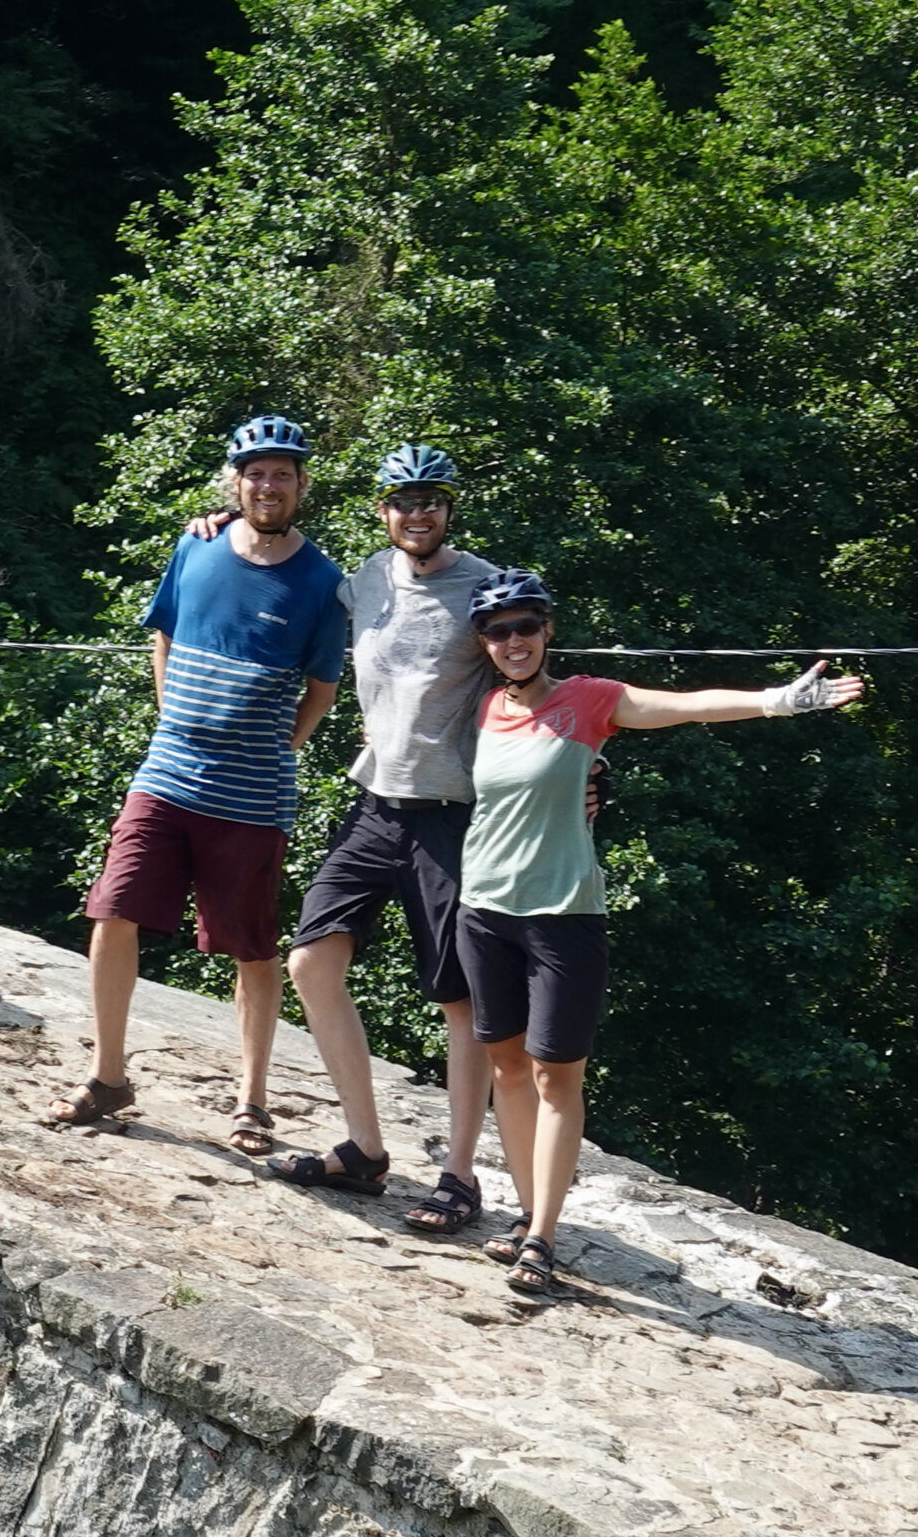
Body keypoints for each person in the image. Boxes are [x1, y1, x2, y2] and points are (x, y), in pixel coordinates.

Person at [452, 569, 863, 1297]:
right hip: (484, 910)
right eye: (497, 630)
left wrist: (778, 700)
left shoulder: (588, 699)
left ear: (547, 631)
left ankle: (543, 1236)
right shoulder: (484, 708)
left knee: (557, 1075)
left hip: (563, 915)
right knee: (507, 1067)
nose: (513, 640)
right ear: (484, 643)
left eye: (525, 626)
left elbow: (685, 706)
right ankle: (523, 1214)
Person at [48, 415, 347, 1144]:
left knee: (252, 947)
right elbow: (165, 634)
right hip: (168, 772)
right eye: (255, 473)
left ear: (302, 485)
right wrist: (170, 718)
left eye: (282, 473)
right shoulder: (198, 544)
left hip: (253, 795)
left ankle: (251, 1099)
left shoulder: (323, 581)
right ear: (234, 482)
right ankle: (109, 1074)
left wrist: (280, 747)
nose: (268, 485)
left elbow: (322, 689)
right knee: (113, 911)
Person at [258, 444, 496, 1221]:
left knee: (461, 1000)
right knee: (310, 963)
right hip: (374, 804)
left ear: (449, 508)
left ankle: (459, 1174)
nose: (417, 513)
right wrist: (223, 521)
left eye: (431, 499)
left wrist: (582, 767)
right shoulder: (361, 579)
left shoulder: (487, 584)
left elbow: (535, 676)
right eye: (402, 500)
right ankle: (363, 1149)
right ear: (383, 509)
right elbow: (278, 560)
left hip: (454, 815)